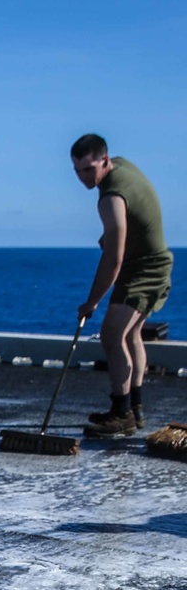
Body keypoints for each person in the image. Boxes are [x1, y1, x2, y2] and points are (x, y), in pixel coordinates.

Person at [71, 134, 174, 436]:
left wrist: (91, 302)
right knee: (131, 335)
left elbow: (112, 262)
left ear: (104, 160)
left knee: (110, 335)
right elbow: (128, 224)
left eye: (89, 170)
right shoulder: (124, 166)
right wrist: (114, 237)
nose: (83, 178)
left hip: (144, 270)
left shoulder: (110, 198)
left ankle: (121, 413)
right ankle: (135, 408)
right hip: (155, 262)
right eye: (77, 171)